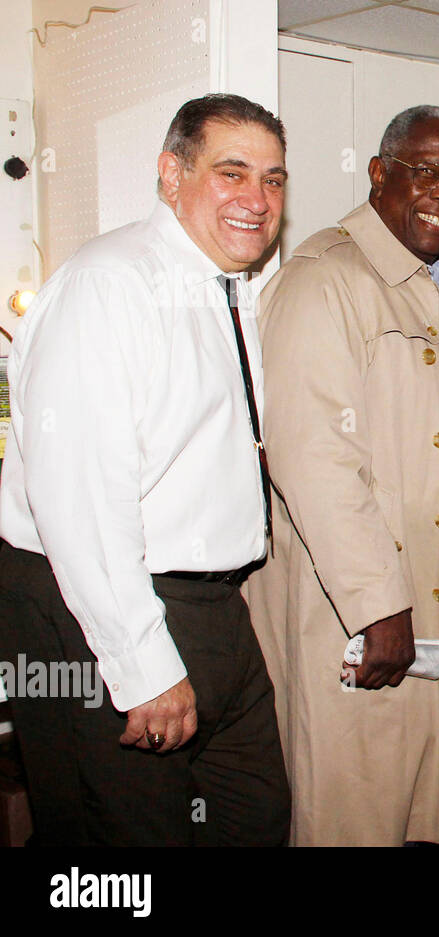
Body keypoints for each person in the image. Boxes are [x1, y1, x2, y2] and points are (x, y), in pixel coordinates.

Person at [0, 93, 290, 845]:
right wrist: (142, 663)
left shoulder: (227, 289)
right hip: (100, 610)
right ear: (172, 174)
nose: (256, 200)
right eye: (233, 173)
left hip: (212, 608)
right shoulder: (109, 284)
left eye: (273, 179)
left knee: (252, 817)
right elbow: (80, 504)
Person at [244, 105, 439, 845]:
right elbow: (310, 454)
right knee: (357, 808)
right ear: (379, 173)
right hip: (367, 617)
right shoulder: (324, 277)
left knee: (426, 807)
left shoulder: (428, 278)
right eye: (426, 171)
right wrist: (377, 605)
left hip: (434, 601)